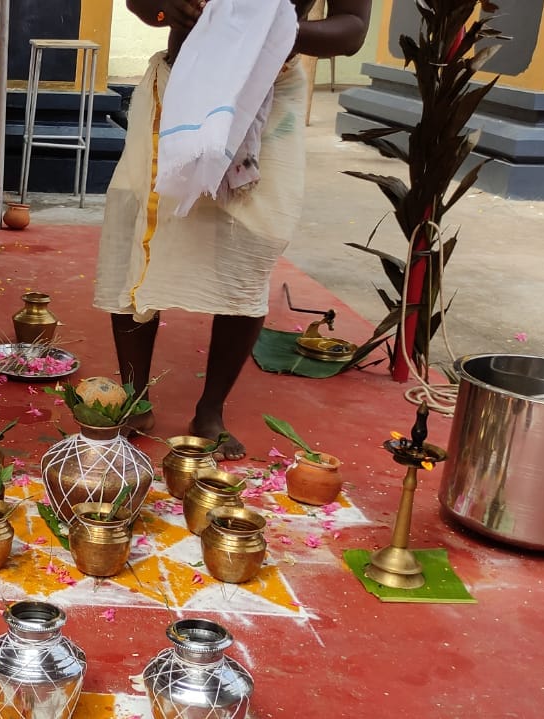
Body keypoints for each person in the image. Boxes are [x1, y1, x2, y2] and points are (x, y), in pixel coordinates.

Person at [95, 0, 369, 458]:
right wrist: (167, 9)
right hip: (181, 85)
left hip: (270, 93)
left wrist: (270, 30)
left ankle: (210, 411)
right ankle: (134, 398)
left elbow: (353, 29)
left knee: (251, 245)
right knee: (139, 233)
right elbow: (139, 3)